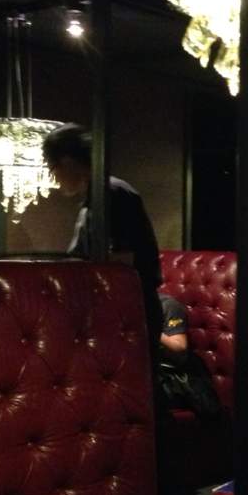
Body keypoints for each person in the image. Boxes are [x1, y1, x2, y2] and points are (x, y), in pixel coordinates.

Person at [42, 123, 163, 379]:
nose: (54, 178)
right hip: (118, 310)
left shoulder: (112, 193)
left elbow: (120, 267)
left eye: (52, 169)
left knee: (132, 386)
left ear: (67, 162)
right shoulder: (98, 195)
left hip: (127, 311)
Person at [158, 292, 223, 421]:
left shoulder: (167, 305)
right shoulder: (124, 305)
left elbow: (180, 349)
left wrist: (149, 329)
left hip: (169, 375)